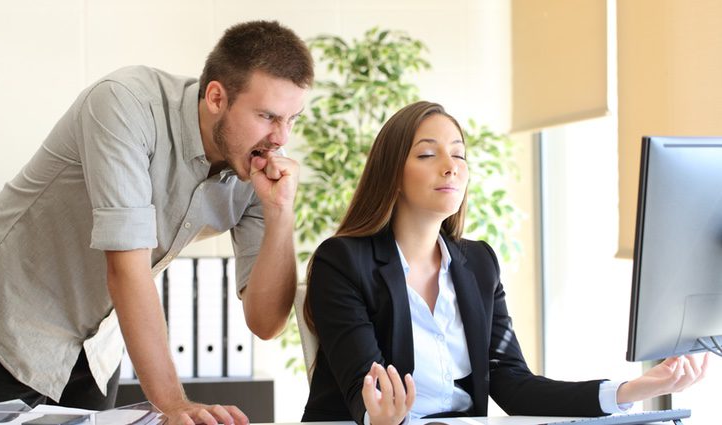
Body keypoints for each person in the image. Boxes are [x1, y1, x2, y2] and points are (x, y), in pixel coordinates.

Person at [0, 20, 313, 425]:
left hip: (94, 350)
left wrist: (280, 214)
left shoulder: (256, 168)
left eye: (292, 119)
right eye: (268, 116)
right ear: (217, 97)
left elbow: (265, 323)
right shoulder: (125, 103)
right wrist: (173, 403)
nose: (281, 138)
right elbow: (127, 269)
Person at [301, 101, 709, 425]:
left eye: (459, 155)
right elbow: (364, 391)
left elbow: (514, 384)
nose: (451, 166)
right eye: (428, 154)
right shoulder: (342, 261)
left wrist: (630, 390)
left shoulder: (478, 263)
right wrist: (381, 417)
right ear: (392, 173)